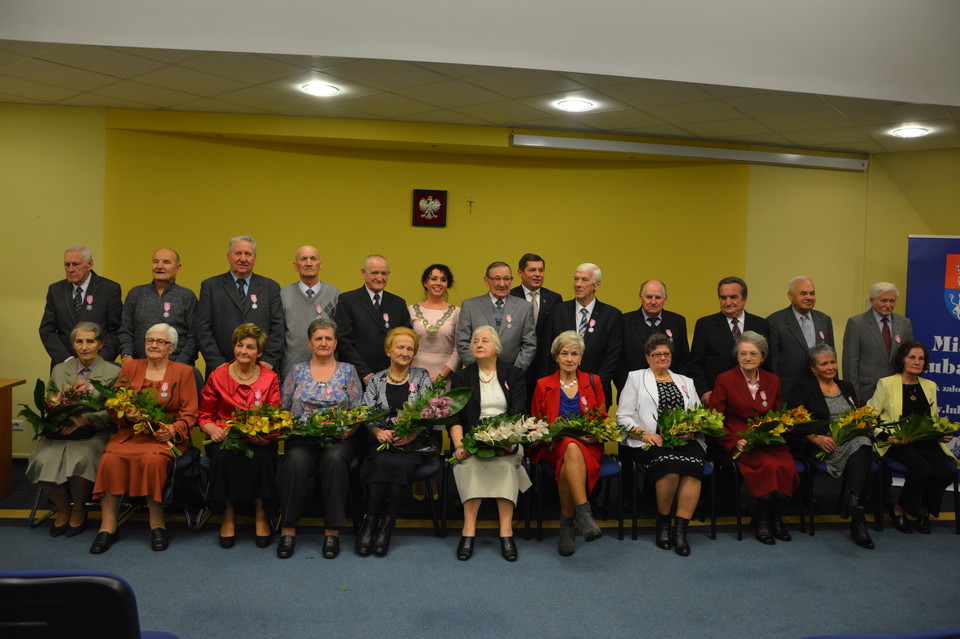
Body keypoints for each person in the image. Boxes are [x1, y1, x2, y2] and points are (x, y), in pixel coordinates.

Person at [90, 323, 198, 554]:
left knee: (153, 461)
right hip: (131, 434)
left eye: (160, 342)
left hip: (163, 437)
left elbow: (189, 414)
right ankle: (107, 527)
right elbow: (114, 405)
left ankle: (157, 523)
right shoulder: (130, 367)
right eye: (150, 341)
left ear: (171, 347)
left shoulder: (184, 371)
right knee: (110, 459)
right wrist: (127, 415)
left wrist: (172, 430)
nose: (154, 345)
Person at [277, 318, 363, 559]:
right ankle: (288, 528)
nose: (323, 343)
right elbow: (283, 408)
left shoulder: (348, 371)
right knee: (294, 461)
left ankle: (332, 530)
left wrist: (350, 430)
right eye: (318, 339)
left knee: (335, 461)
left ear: (335, 343)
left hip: (339, 439)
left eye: (328, 338)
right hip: (301, 438)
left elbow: (359, 410)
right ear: (309, 343)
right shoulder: (296, 370)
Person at [26, 321, 120, 537]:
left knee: (80, 460)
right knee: (42, 460)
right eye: (79, 341)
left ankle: (79, 509)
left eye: (90, 341)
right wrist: (55, 411)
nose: (85, 346)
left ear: (100, 343)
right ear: (73, 344)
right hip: (59, 433)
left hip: (93, 434)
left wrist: (87, 420)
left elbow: (116, 411)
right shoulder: (60, 369)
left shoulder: (113, 372)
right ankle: (63, 509)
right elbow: (49, 398)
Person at [448, 326, 530, 562]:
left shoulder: (513, 374)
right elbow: (454, 416)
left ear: (497, 348)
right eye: (475, 341)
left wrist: (504, 440)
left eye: (485, 341)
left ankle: (506, 532)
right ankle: (468, 531)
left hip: (507, 438)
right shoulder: (462, 377)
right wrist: (459, 445)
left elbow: (518, 412)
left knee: (506, 467)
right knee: (469, 466)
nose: (479, 344)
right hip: (471, 440)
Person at [617, 333, 704, 556]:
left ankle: (681, 530)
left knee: (693, 468)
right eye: (656, 355)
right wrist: (645, 435)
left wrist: (692, 431)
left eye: (666, 354)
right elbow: (623, 417)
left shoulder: (686, 381)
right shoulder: (635, 378)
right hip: (651, 441)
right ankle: (663, 524)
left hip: (684, 440)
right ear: (648, 357)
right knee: (670, 468)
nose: (662, 358)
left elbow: (699, 414)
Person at [708, 331, 798, 545]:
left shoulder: (773, 380)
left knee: (786, 467)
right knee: (767, 466)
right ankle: (762, 521)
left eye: (753, 354)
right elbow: (714, 419)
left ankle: (775, 518)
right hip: (740, 439)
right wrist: (732, 441)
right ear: (737, 356)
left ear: (763, 357)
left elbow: (776, 413)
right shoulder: (725, 379)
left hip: (768, 438)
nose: (748, 358)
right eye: (743, 354)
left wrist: (785, 426)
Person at [199, 323, 281, 549]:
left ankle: (261, 514)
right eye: (239, 345)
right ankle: (227, 516)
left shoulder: (269, 377)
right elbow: (204, 416)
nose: (243, 351)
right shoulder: (217, 375)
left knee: (262, 457)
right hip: (224, 437)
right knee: (224, 457)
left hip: (259, 439)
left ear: (260, 352)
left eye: (250, 347)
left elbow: (275, 415)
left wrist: (266, 434)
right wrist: (212, 430)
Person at [786, 343, 874, 548]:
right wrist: (814, 437)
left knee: (863, 442)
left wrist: (864, 426)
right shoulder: (803, 388)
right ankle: (855, 508)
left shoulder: (846, 386)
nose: (830, 367)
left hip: (850, 439)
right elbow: (794, 420)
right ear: (812, 368)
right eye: (823, 363)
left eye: (833, 362)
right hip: (821, 444)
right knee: (862, 447)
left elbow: (855, 414)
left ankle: (855, 504)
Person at [357, 327, 434, 557]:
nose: (405, 352)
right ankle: (370, 523)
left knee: (400, 465)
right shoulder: (376, 379)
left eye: (410, 349)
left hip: (411, 443)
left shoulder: (422, 377)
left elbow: (430, 412)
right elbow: (366, 413)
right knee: (380, 462)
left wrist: (412, 434)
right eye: (400, 347)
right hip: (382, 441)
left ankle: (387, 527)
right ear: (388, 350)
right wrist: (377, 431)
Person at [530, 330, 607, 556]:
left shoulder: (594, 381)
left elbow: (602, 418)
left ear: (581, 357)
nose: (570, 358)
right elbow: (536, 421)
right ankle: (583, 514)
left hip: (588, 445)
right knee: (569, 447)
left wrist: (594, 436)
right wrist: (546, 434)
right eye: (564, 353)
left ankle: (567, 525)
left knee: (570, 458)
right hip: (554, 445)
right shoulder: (543, 384)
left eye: (575, 353)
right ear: (556, 357)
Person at [868, 340, 957, 534]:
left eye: (921, 358)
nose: (917, 362)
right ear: (902, 359)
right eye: (912, 357)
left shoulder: (930, 385)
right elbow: (869, 416)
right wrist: (884, 435)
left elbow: (932, 420)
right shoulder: (887, 383)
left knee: (946, 471)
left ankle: (923, 509)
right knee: (923, 470)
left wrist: (941, 434)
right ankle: (899, 507)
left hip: (926, 441)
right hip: (898, 442)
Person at [194, 235, 284, 375]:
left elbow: (278, 328)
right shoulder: (210, 286)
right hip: (221, 370)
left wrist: (268, 361)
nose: (243, 258)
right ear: (228, 256)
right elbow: (202, 328)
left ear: (254, 259)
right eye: (238, 253)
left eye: (248, 254)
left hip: (262, 370)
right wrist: (218, 363)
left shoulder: (270, 287)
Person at [544, 263, 622, 407]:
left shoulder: (611, 315)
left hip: (595, 389)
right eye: (576, 279)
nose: (578, 284)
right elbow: (547, 352)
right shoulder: (557, 311)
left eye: (584, 280)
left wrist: (594, 385)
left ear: (597, 285)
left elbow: (613, 356)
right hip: (559, 391)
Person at [690, 276, 770, 404]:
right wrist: (704, 392)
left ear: (744, 299)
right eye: (723, 297)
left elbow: (767, 362)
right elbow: (695, 364)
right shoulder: (705, 325)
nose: (727, 302)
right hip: (718, 396)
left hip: (754, 396)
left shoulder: (761, 324)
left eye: (733, 297)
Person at [39, 246, 123, 368]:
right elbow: (47, 330)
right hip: (64, 366)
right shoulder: (56, 290)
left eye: (76, 264)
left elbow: (116, 330)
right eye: (67, 265)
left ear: (90, 264)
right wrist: (67, 359)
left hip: (99, 366)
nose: (70, 269)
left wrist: (99, 360)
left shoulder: (109, 289)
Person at [334, 255, 412, 385]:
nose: (380, 278)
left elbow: (407, 340)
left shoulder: (398, 303)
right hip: (357, 378)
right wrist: (365, 373)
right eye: (374, 273)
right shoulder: (347, 300)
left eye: (384, 273)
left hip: (393, 378)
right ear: (363, 273)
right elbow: (344, 341)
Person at [118, 248, 197, 365]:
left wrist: (179, 365)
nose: (159, 266)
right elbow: (125, 330)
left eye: (166, 262)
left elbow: (194, 336)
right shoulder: (136, 294)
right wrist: (126, 355)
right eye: (155, 261)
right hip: (139, 366)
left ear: (178, 268)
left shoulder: (187, 296)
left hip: (177, 367)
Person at [843, 282, 914, 402]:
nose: (888, 305)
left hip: (897, 390)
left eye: (892, 301)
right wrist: (854, 396)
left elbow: (910, 358)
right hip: (867, 391)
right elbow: (850, 364)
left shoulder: (904, 323)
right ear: (871, 301)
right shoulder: (857, 324)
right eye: (883, 301)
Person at [766, 276, 834, 400]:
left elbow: (831, 356)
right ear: (790, 296)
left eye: (812, 293)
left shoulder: (824, 320)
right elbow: (772, 362)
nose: (809, 297)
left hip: (821, 389)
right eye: (803, 293)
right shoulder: (775, 321)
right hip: (789, 391)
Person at [617, 279, 689, 392]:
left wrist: (678, 387)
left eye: (658, 297)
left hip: (670, 390)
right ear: (640, 297)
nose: (653, 302)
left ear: (665, 299)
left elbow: (684, 359)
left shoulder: (677, 321)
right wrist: (627, 387)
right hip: (633, 390)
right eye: (649, 297)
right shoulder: (624, 321)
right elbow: (618, 360)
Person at [280, 245, 341, 379]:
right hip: (291, 371)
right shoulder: (283, 294)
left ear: (320, 264)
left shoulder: (335, 294)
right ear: (295, 265)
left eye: (313, 259)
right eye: (303, 259)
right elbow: (278, 333)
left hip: (328, 371)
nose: (308, 263)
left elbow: (339, 335)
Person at [510, 253, 563, 392]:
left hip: (544, 366)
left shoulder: (554, 298)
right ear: (520, 273)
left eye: (541, 270)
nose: (538, 274)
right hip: (517, 363)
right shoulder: (511, 296)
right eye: (532, 270)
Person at [409, 263, 460, 384]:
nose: (438, 283)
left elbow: (458, 349)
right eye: (433, 279)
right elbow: (406, 345)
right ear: (425, 283)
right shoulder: (411, 310)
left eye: (443, 280)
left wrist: (441, 376)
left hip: (447, 377)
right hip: (414, 376)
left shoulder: (457, 312)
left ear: (447, 284)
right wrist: (418, 375)